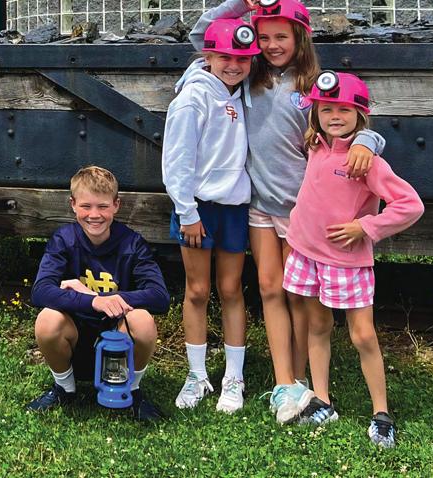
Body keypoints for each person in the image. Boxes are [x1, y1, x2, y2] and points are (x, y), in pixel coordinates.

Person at [189, 0, 386, 424]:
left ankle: (302, 379)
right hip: (260, 203)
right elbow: (201, 36)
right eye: (264, 37)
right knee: (269, 288)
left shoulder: (313, 84)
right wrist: (240, 4)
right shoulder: (248, 75)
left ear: (300, 37)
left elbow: (351, 123)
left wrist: (368, 142)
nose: (272, 45)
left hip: (302, 211)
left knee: (300, 296)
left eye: (282, 36)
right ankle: (283, 384)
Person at [283, 71, 424, 447]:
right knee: (318, 326)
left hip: (345, 262)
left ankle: (381, 413)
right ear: (316, 114)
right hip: (306, 253)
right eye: (326, 109)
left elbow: (410, 205)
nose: (335, 116)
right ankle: (322, 400)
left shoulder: (367, 161)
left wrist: (367, 227)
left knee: (363, 335)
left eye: (344, 110)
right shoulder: (316, 144)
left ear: (359, 115)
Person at [162, 18, 261, 414]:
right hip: (197, 209)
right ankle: (197, 374)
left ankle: (233, 378)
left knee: (232, 289)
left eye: (242, 59)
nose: (233, 65)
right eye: (224, 57)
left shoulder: (244, 92)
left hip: (234, 207)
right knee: (197, 291)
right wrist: (187, 211)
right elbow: (176, 161)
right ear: (208, 55)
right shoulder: (192, 97)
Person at [27, 166, 170, 421]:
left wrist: (108, 299)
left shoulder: (132, 243)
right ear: (73, 205)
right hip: (74, 340)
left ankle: (132, 391)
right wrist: (94, 301)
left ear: (116, 205)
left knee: (143, 320)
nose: (94, 215)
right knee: (47, 319)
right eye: (86, 206)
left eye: (103, 206)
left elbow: (160, 296)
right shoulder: (63, 240)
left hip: (117, 341)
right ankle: (64, 388)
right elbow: (40, 291)